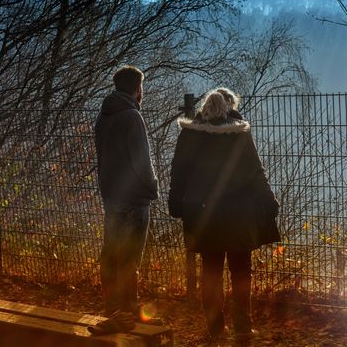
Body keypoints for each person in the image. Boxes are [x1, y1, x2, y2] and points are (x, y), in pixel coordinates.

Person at [168, 90, 280, 344]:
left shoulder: (190, 134)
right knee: (241, 270)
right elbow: (255, 171)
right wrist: (269, 201)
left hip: (204, 214)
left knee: (211, 270)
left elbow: (179, 172)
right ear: (230, 109)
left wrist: (175, 204)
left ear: (205, 109)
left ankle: (215, 327)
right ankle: (242, 326)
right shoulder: (239, 133)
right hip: (238, 214)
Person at [94, 65, 159, 319]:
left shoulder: (104, 115)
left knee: (111, 252)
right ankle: (129, 306)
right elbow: (142, 160)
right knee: (131, 255)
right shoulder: (132, 117)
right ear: (137, 88)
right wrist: (152, 187)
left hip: (111, 194)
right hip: (134, 196)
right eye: (141, 86)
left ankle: (112, 305)